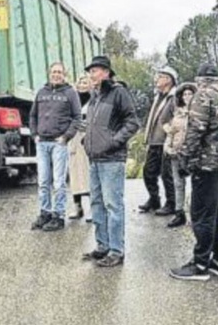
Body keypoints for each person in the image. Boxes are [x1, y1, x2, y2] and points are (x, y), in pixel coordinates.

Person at [169, 63, 218, 281]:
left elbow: (195, 131)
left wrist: (184, 159)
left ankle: (200, 264)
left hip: (207, 165)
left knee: (203, 215)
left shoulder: (203, 96)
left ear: (201, 80)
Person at [81, 55, 140, 267]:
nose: (91, 74)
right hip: (95, 159)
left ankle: (116, 250)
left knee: (113, 204)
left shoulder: (118, 92)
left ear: (106, 72)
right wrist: (86, 140)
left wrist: (113, 141)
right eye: (90, 71)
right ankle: (102, 245)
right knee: (96, 203)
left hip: (112, 159)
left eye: (95, 70)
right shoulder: (95, 96)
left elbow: (133, 122)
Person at [29, 62, 82, 232]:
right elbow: (33, 115)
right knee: (43, 181)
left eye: (59, 72)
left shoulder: (70, 93)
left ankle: (58, 216)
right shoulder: (41, 92)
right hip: (42, 143)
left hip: (59, 143)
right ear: (49, 73)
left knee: (59, 182)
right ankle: (45, 213)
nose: (56, 75)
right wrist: (34, 134)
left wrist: (66, 137)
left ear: (64, 74)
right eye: (53, 72)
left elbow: (77, 117)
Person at [138, 66, 178, 216]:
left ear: (168, 79)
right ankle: (154, 199)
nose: (156, 79)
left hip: (166, 141)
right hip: (154, 141)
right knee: (148, 172)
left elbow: (178, 118)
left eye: (160, 76)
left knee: (167, 175)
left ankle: (172, 203)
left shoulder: (174, 97)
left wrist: (172, 135)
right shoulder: (158, 96)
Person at [163, 82, 197, 228]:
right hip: (176, 153)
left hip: (193, 153)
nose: (187, 97)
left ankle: (195, 213)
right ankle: (179, 212)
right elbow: (171, 132)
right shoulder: (177, 113)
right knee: (178, 183)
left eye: (190, 94)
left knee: (196, 184)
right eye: (185, 94)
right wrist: (168, 147)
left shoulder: (198, 112)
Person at [68, 75, 92, 222]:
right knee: (74, 174)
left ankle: (92, 208)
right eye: (80, 82)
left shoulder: (94, 99)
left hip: (87, 139)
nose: (82, 85)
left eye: (85, 82)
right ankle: (77, 207)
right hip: (73, 140)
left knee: (87, 174)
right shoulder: (73, 101)